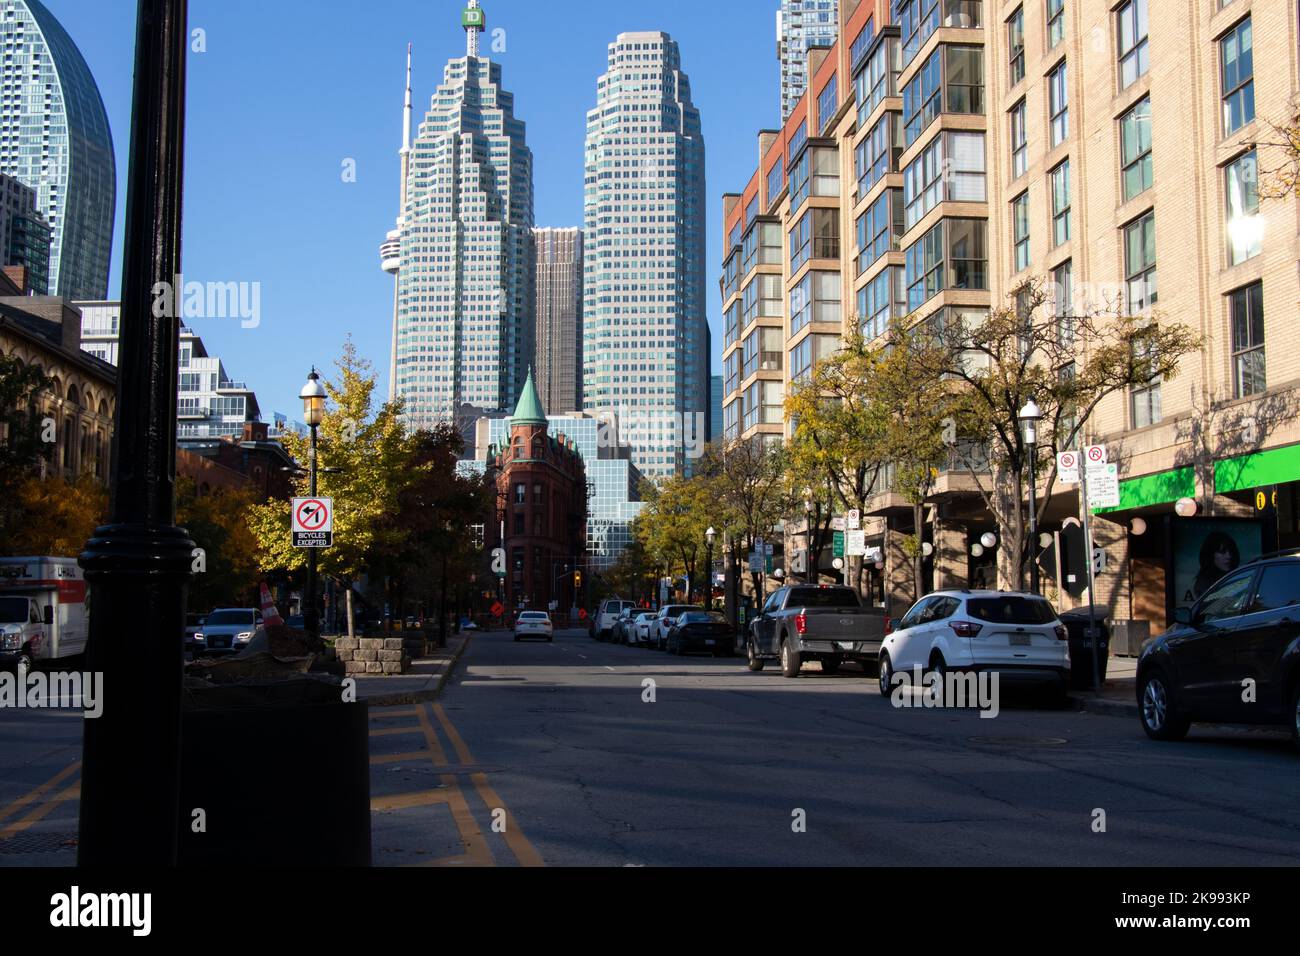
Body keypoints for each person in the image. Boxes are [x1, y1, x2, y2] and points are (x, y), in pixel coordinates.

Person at [1189, 531, 1241, 602]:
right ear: (1210, 554)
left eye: (1231, 551)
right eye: (1222, 551)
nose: (1229, 556)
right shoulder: (1203, 585)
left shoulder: (1238, 577)